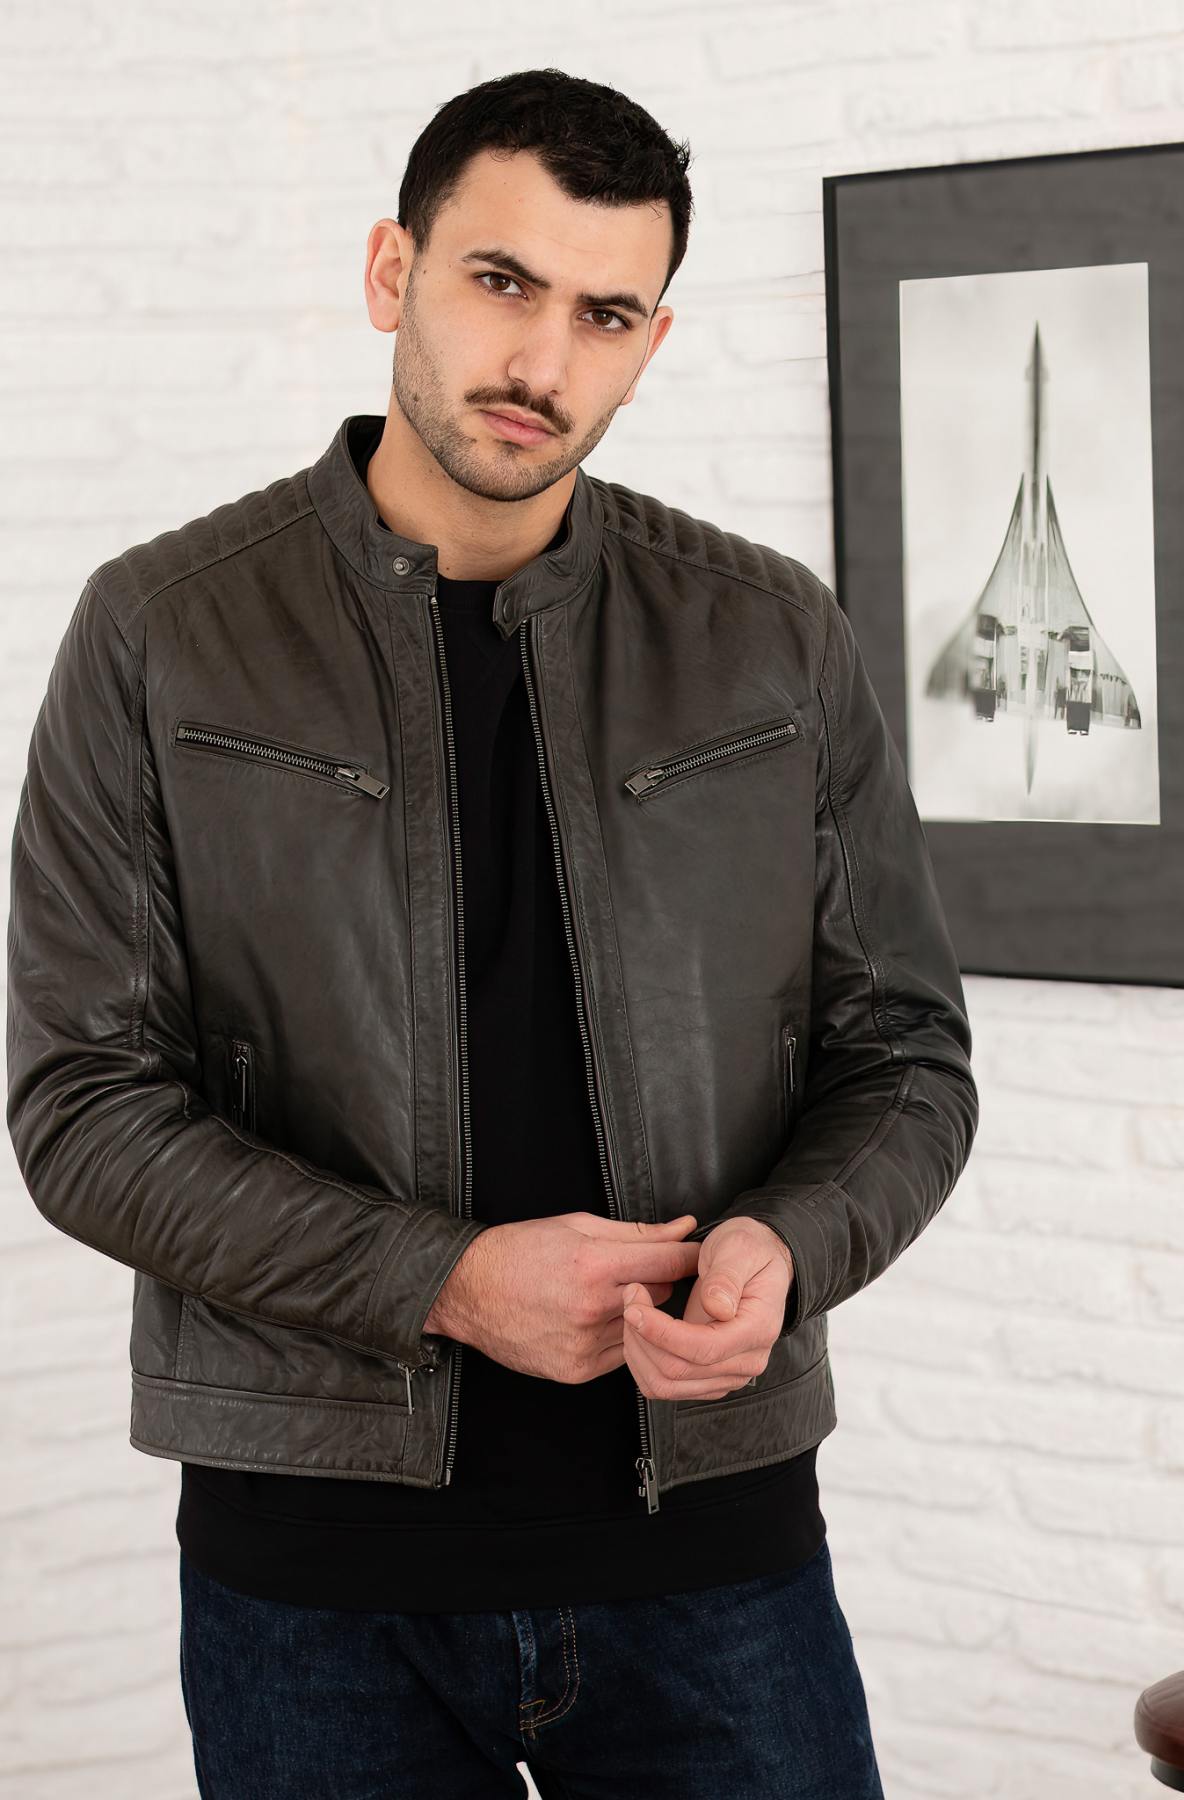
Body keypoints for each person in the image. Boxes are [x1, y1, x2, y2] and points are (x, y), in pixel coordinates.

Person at [6, 67, 978, 1800]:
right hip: (316, 1578)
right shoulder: (164, 633)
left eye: (604, 314)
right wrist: (443, 1282)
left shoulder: (772, 640)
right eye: (501, 281)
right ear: (394, 271)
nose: (541, 360)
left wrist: (790, 1245)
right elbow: (80, 1106)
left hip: (714, 1551)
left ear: (651, 345)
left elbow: (905, 1053)